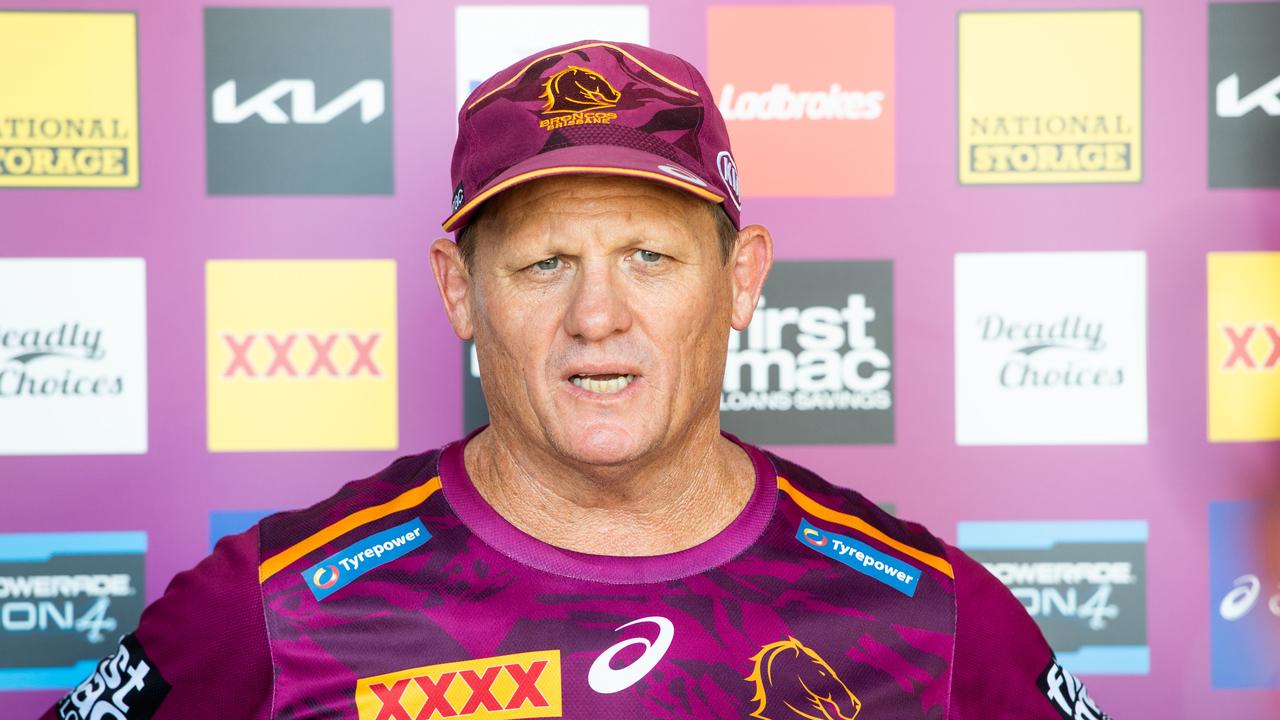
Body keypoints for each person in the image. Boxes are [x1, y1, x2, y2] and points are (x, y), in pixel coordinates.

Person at [44, 40, 1111, 720]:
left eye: (649, 258)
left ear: (740, 281)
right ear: (459, 292)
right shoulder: (277, 606)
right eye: (543, 263)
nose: (595, 315)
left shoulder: (924, 610)